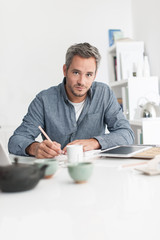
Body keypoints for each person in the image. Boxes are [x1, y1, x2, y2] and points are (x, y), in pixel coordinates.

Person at [8, 42, 134, 158]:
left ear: (95, 75)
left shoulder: (104, 94)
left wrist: (95, 142)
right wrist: (35, 148)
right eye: (76, 73)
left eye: (88, 74)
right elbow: (16, 140)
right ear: (65, 70)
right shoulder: (44, 100)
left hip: (95, 169)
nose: (81, 82)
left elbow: (126, 134)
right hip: (57, 170)